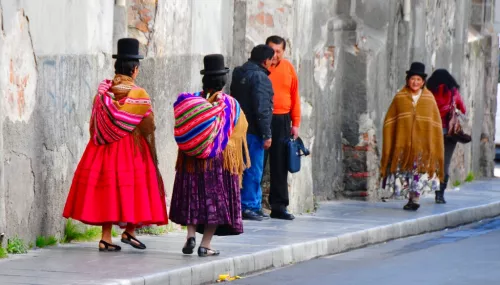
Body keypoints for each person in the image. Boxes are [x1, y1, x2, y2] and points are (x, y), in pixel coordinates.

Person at [63, 38, 168, 251]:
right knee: (134, 189)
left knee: (107, 192)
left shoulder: (103, 94)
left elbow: (94, 124)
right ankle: (130, 231)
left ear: (116, 68)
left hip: (102, 148)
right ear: (135, 70)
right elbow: (149, 125)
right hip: (131, 148)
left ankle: (105, 238)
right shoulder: (139, 95)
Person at [170, 54, 249, 257]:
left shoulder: (191, 101)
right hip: (217, 162)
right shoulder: (231, 104)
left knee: (192, 198)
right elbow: (239, 131)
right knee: (214, 203)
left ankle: (190, 236)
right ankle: (205, 244)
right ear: (223, 81)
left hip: (190, 161)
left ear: (204, 80)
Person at [380, 62, 444, 211]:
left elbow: (434, 124)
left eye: (418, 80)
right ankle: (409, 197)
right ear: (408, 80)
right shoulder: (400, 97)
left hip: (422, 147)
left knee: (417, 172)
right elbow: (390, 121)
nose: (415, 82)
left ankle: (414, 198)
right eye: (412, 79)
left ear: (423, 82)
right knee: (405, 172)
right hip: (403, 147)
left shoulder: (429, 99)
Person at [230, 45, 275, 221]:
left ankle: (252, 205)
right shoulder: (260, 78)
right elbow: (262, 108)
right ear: (265, 61)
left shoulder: (239, 72)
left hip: (238, 128)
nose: (272, 63)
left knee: (243, 167)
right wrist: (267, 134)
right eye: (271, 60)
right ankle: (249, 205)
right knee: (253, 169)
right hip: (254, 131)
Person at [266, 35, 300, 220]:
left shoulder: (288, 68)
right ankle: (251, 206)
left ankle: (279, 206)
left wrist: (296, 123)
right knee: (258, 162)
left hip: (282, 120)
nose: (276, 55)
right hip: (264, 118)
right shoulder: (262, 67)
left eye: (279, 51)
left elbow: (295, 96)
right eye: (272, 50)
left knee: (280, 164)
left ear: (284, 52)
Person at [426, 69, 467, 204]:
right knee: (445, 162)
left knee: (429, 161)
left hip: (433, 132)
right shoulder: (454, 92)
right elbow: (463, 109)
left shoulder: (429, 92)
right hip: (450, 133)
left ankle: (421, 189)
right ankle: (440, 195)